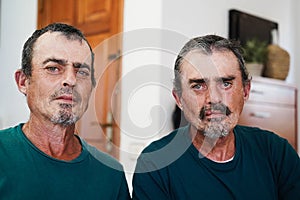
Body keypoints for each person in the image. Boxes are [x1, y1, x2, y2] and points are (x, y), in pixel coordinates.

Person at [132, 35, 300, 199]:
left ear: (245, 91)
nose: (213, 98)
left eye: (226, 84)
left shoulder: (276, 152)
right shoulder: (155, 163)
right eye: (198, 86)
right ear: (179, 98)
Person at [0, 23, 130, 199]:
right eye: (53, 68)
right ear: (23, 82)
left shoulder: (111, 174)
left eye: (82, 71)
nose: (71, 80)